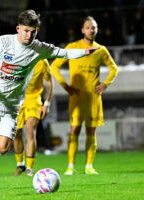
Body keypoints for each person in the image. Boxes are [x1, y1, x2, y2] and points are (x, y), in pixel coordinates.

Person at [0, 9, 99, 191]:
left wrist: (84, 52)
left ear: (37, 31)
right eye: (25, 30)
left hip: (12, 104)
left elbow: (64, 53)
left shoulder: (39, 48)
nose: (29, 35)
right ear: (18, 29)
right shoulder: (2, 43)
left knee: (3, 148)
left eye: (33, 31)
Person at [50, 16, 119, 175]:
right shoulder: (73, 47)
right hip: (76, 97)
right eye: (88, 27)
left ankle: (89, 166)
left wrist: (105, 84)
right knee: (74, 130)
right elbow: (54, 67)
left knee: (91, 132)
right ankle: (70, 166)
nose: (91, 30)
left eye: (93, 27)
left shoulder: (101, 50)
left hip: (94, 98)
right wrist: (65, 86)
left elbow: (114, 69)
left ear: (97, 30)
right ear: (82, 30)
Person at [13, 59, 53, 177]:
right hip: (17, 101)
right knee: (16, 133)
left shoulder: (41, 61)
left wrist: (47, 103)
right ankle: (20, 164)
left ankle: (30, 168)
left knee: (30, 130)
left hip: (34, 100)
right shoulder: (15, 58)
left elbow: (50, 82)